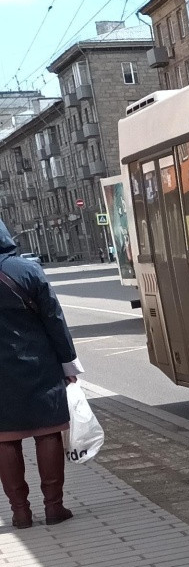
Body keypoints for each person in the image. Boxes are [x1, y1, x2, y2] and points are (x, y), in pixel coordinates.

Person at [0, 222, 81, 528]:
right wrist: (68, 364)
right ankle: (53, 507)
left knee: (5, 438)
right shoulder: (27, 271)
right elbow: (53, 317)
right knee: (48, 431)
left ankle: (20, 512)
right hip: (38, 365)